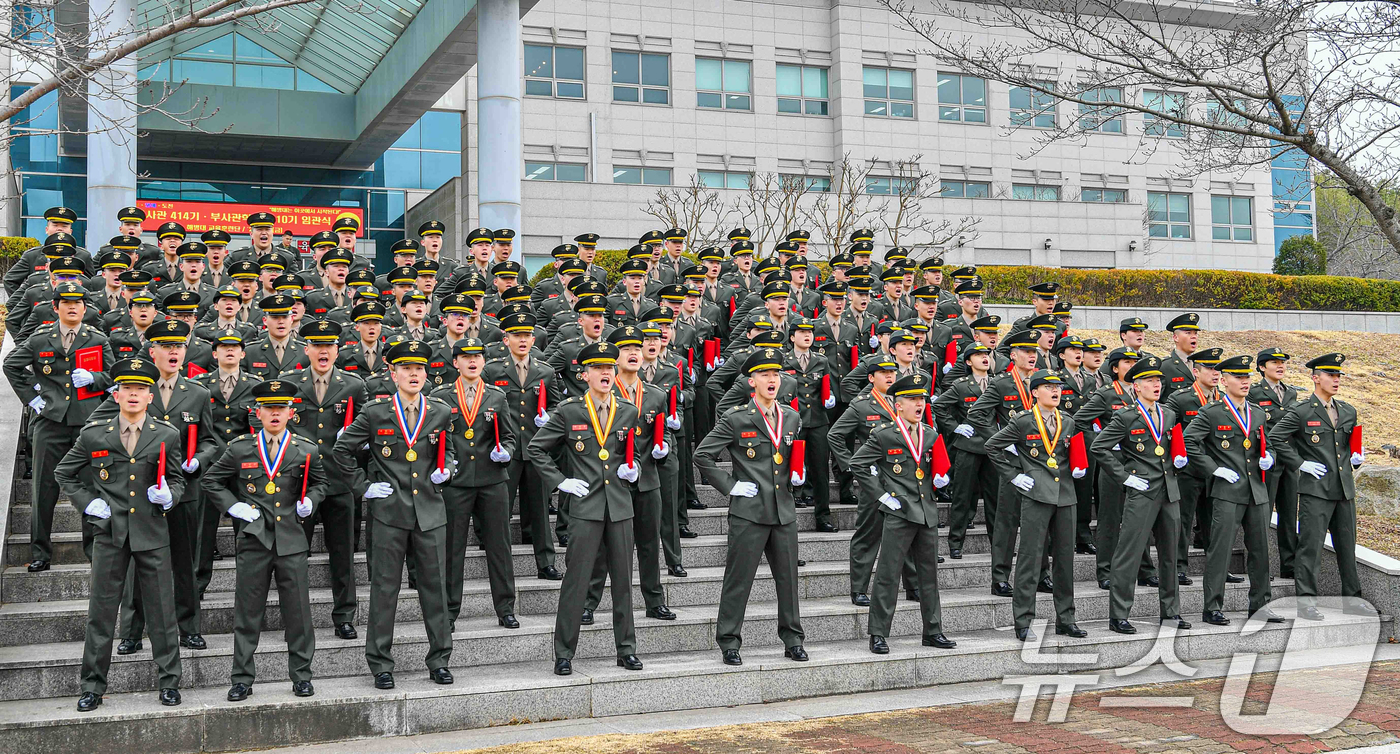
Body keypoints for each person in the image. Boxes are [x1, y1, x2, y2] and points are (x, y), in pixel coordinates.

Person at [55, 357, 185, 712]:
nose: (133, 394)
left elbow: (177, 480)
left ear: (150, 396)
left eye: (141, 389)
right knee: (101, 612)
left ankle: (169, 682)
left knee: (162, 611)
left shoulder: (167, 435)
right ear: (116, 394)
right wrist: (88, 503)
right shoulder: (94, 434)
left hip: (151, 532)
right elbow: (64, 472)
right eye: (127, 388)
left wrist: (170, 496)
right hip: (110, 534)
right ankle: (92, 686)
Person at [333, 340, 456, 689]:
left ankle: (439, 659)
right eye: (406, 369)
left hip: (429, 512)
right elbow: (342, 449)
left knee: (435, 590)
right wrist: (363, 486)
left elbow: (448, 451)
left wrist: (447, 470)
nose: (414, 374)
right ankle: (380, 663)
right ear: (393, 373)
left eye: (419, 369)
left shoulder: (440, 411)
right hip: (389, 512)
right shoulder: (376, 412)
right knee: (384, 590)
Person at [202, 378, 327, 701]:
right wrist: (234, 507)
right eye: (268, 408)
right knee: (247, 614)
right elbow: (211, 481)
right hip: (254, 540)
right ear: (257, 412)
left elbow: (320, 484)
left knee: (298, 614)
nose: (274, 414)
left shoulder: (306, 450)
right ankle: (242, 678)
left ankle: (302, 675)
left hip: (291, 540)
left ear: (291, 413)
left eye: (280, 408)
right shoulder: (240, 448)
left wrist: (311, 501)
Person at [525, 342, 644, 676]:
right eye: (597, 368)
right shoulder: (570, 411)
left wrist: (634, 470)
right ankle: (564, 653)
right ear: (585, 375)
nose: (605, 373)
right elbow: (536, 449)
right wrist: (560, 481)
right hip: (585, 507)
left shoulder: (628, 410)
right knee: (576, 582)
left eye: (609, 368)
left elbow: (634, 453)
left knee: (623, 583)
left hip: (619, 506)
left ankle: (626, 649)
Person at [694, 348, 808, 666]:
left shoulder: (791, 417)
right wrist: (730, 486)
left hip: (783, 510)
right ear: (751, 381)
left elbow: (789, 456)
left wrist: (798, 474)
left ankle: (793, 639)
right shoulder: (736, 418)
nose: (772, 380)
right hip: (749, 512)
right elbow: (702, 454)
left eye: (775, 375)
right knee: (739, 580)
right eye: (764, 375)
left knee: (788, 581)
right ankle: (729, 641)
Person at [3, 282, 115, 571]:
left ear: (85, 308)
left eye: (78, 302)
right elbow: (11, 365)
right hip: (50, 422)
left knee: (93, 486)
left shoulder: (97, 339)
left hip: (87, 423)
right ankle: (40, 552)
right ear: (55, 307)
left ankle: (94, 552)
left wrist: (94, 378)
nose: (73, 307)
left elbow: (113, 377)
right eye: (66, 302)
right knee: (43, 489)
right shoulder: (41, 338)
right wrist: (32, 398)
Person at [851, 373, 956, 654]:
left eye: (921, 398)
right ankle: (878, 633)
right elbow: (858, 463)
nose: (919, 404)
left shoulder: (930, 434)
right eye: (912, 399)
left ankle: (933, 630)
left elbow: (934, 467)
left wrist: (941, 479)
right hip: (899, 512)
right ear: (898, 405)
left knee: (929, 576)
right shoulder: (885, 434)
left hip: (926, 512)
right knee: (888, 574)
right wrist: (882, 495)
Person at [581, 327, 677, 623]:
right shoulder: (603, 392)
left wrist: (664, 447)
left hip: (646, 479)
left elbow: (663, 431)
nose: (634, 353)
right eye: (626, 349)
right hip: (612, 481)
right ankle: (589, 602)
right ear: (614, 357)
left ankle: (654, 600)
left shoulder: (656, 394)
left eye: (637, 348)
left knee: (649, 543)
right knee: (602, 547)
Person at [1268, 352, 1374, 620]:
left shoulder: (1347, 410)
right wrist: (1300, 463)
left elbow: (1347, 445)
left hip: (1344, 490)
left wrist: (1356, 458)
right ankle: (1306, 602)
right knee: (1310, 548)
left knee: (1347, 548)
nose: (1336, 380)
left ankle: (1352, 599)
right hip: (1315, 490)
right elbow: (1276, 437)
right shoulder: (1302, 411)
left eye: (1338, 375)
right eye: (1330, 375)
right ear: (1316, 378)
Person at [1091, 356, 1191, 634]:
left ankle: (1171, 612)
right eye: (1149, 381)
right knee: (1130, 552)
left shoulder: (1168, 414)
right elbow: (1099, 447)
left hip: (1169, 490)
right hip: (1142, 490)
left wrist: (1179, 459)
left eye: (1158, 380)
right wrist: (1125, 477)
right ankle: (1119, 614)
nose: (1156, 385)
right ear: (1136, 386)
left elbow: (1170, 446)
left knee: (1170, 555)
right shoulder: (1126, 416)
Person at [985, 370, 1086, 642]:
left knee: (1065, 560)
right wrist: (1014, 475)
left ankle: (1066, 619)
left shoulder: (1068, 420)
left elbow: (1070, 452)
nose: (1056, 391)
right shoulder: (1023, 421)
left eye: (1058, 387)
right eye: (1049, 387)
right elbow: (993, 446)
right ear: (1034, 392)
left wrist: (1078, 467)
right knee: (1030, 559)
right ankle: (1023, 620)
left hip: (1065, 495)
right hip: (1036, 494)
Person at [281, 319, 366, 639]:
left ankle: (344, 615)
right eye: (317, 345)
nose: (323, 351)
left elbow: (367, 425)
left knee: (342, 554)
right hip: (298, 483)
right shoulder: (289, 382)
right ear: (306, 349)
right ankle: (295, 617)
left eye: (329, 345)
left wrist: (357, 441)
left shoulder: (353, 385)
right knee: (294, 556)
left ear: (337, 350)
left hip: (338, 481)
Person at [1184, 354, 1280, 626]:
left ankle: (1260, 605)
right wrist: (1213, 469)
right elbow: (1189, 442)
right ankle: (1212, 607)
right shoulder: (1212, 412)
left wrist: (1269, 457)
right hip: (1227, 490)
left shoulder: (1257, 412)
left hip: (1256, 491)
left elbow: (1268, 443)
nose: (1244, 381)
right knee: (1221, 550)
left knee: (1261, 551)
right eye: (1238, 377)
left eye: (1247, 377)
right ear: (1224, 381)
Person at [430, 338, 518, 631]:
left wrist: (506, 452)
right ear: (455, 362)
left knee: (499, 546)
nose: (472, 361)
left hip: (492, 480)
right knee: (452, 549)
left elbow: (509, 436)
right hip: (456, 482)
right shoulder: (441, 396)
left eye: (477, 356)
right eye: (466, 357)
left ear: (483, 361)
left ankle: (505, 608)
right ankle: (449, 610)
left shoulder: (496, 396)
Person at [967, 332, 1051, 597]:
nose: (1032, 356)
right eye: (1026, 351)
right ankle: (1000, 577)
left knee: (1040, 520)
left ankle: (1042, 574)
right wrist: (1001, 439)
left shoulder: (1043, 380)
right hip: (1013, 462)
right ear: (1013, 355)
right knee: (1007, 521)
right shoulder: (1002, 383)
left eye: (1034, 351)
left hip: (1040, 460)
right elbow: (976, 413)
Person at [1163, 347, 1225, 586]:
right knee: (1183, 521)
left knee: (1214, 523)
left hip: (1216, 470)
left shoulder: (1224, 399)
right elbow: (1169, 430)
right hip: (1188, 470)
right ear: (1196, 372)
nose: (1215, 373)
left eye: (1217, 369)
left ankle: (1217, 567)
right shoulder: (1181, 398)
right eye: (1209, 368)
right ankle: (1178, 567)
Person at [933, 343, 998, 560]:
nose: (985, 358)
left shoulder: (998, 383)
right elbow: (939, 406)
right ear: (969, 362)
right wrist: (955, 427)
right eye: (978, 355)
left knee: (994, 500)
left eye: (986, 354)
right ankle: (955, 543)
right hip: (968, 446)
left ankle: (998, 545)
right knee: (962, 497)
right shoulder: (961, 385)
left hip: (992, 447)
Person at [1250, 347, 1302, 578]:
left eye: (1283, 362)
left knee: (1289, 514)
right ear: (1262, 367)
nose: (1280, 366)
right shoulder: (1254, 393)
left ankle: (1289, 565)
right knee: (1262, 514)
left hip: (1289, 460)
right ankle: (1261, 567)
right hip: (1267, 461)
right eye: (1274, 363)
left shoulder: (1291, 393)